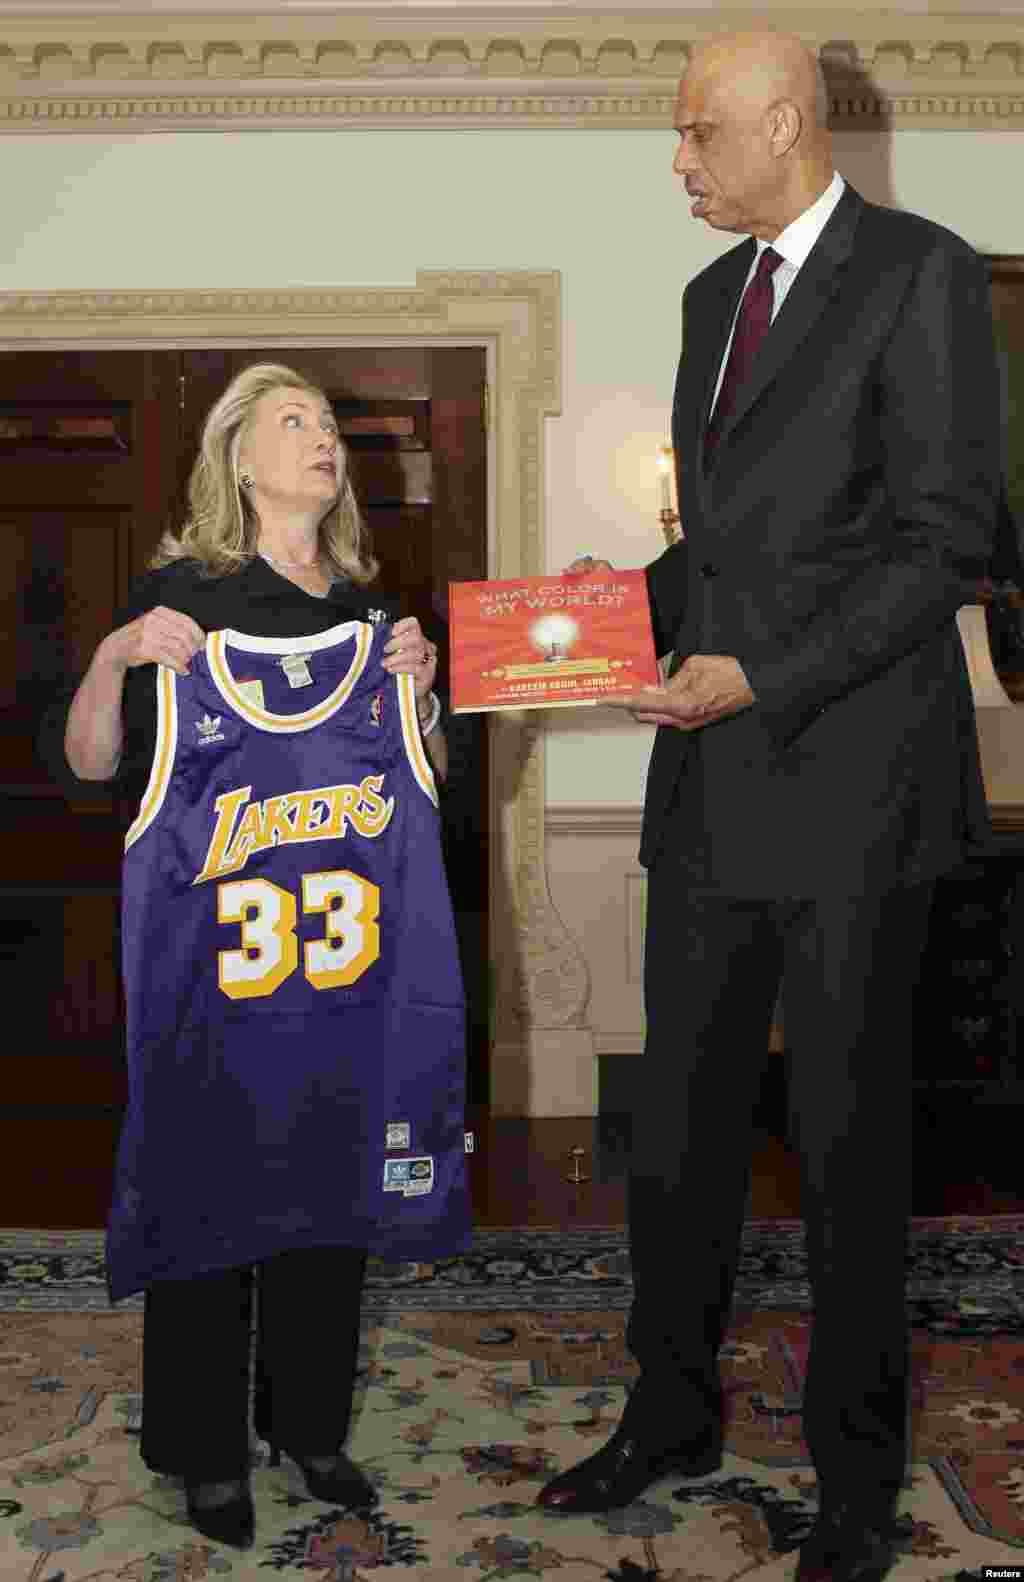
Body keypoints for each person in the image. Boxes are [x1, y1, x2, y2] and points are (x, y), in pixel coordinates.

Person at [536, 30, 1001, 1582]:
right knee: (676, 1130)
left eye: (693, 135)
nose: (676, 162)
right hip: (711, 798)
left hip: (859, 792)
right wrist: (619, 606)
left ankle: (857, 1477)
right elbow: (725, 552)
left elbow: (944, 546)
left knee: (851, 1147)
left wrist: (758, 673)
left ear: (785, 127)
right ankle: (666, 1410)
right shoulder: (702, 301)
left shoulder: (922, 275)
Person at [54, 362, 470, 1550]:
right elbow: (93, 767)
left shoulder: (376, 618)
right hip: (216, 988)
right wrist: (117, 656)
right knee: (204, 1206)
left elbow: (424, 786)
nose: (323, 439)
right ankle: (200, 1449)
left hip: (343, 989)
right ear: (240, 457)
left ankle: (310, 1427)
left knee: (331, 1202)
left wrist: (424, 699)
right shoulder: (183, 597)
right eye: (295, 422)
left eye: (331, 424)